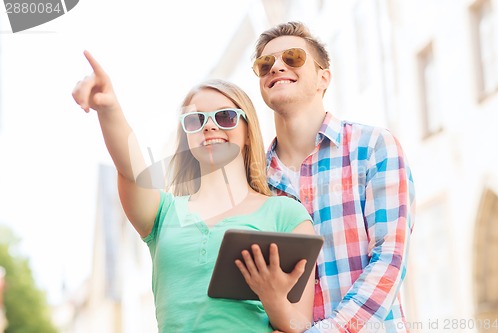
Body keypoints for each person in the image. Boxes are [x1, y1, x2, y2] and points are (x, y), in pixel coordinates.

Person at [72, 51, 317, 332]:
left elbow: (300, 324)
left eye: (225, 117)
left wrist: (273, 298)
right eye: (195, 120)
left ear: (248, 132)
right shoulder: (162, 213)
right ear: (186, 136)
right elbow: (130, 171)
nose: (209, 125)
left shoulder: (287, 215)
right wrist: (109, 108)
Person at [250, 21, 416, 332]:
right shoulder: (254, 179)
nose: (277, 66)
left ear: (323, 78)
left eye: (293, 58)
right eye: (265, 63)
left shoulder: (373, 149)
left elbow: (388, 261)